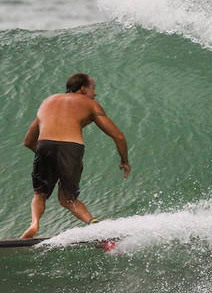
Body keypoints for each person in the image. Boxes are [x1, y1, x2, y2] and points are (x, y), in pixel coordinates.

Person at [20, 73, 130, 239]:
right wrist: (124, 161)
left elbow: (28, 141)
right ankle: (95, 226)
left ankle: (34, 224)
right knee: (68, 199)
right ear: (84, 89)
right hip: (71, 147)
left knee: (40, 194)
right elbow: (119, 136)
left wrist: (48, 159)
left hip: (44, 146)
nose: (95, 93)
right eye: (93, 88)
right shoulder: (91, 104)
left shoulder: (47, 102)